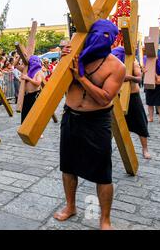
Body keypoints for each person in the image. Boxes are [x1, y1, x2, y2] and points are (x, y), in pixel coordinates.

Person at [54, 20, 125, 230]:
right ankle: (70, 207)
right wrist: (64, 59)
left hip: (97, 121)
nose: (98, 40)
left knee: (102, 172)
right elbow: (59, 82)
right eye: (96, 34)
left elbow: (104, 98)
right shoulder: (76, 55)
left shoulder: (116, 67)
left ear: (111, 41)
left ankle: (104, 219)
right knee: (68, 166)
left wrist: (82, 78)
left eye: (105, 37)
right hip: (71, 117)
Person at [112, 47, 151, 159]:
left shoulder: (133, 62)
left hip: (133, 96)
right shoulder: (112, 62)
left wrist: (129, 77)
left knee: (141, 123)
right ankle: (106, 149)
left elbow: (139, 78)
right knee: (112, 124)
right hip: (116, 96)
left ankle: (145, 149)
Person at [19, 56, 44, 123]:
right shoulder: (27, 70)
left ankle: (36, 132)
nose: (33, 63)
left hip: (34, 95)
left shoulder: (39, 71)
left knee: (33, 116)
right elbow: (15, 65)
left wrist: (28, 78)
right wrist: (19, 56)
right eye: (32, 61)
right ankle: (24, 130)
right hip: (27, 95)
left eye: (35, 61)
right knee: (25, 115)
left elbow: (38, 83)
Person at [146, 55, 160, 125]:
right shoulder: (150, 65)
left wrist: (159, 81)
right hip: (150, 86)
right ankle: (150, 118)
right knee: (150, 103)